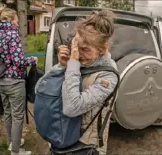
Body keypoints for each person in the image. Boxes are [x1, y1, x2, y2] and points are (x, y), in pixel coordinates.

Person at [36, 10, 118, 154]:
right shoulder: (75, 65)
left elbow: (71, 108)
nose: (78, 54)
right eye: (76, 47)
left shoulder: (108, 76)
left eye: (85, 49)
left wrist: (72, 63)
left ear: (102, 48)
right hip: (60, 140)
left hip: (84, 147)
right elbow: (39, 90)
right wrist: (61, 67)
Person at [0, 8, 37, 155]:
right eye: (17, 19)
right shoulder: (13, 35)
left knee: (8, 113)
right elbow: (19, 62)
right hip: (14, 81)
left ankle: (12, 142)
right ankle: (16, 150)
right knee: (18, 115)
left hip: (0, 81)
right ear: (12, 18)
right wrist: (32, 60)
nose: (19, 22)